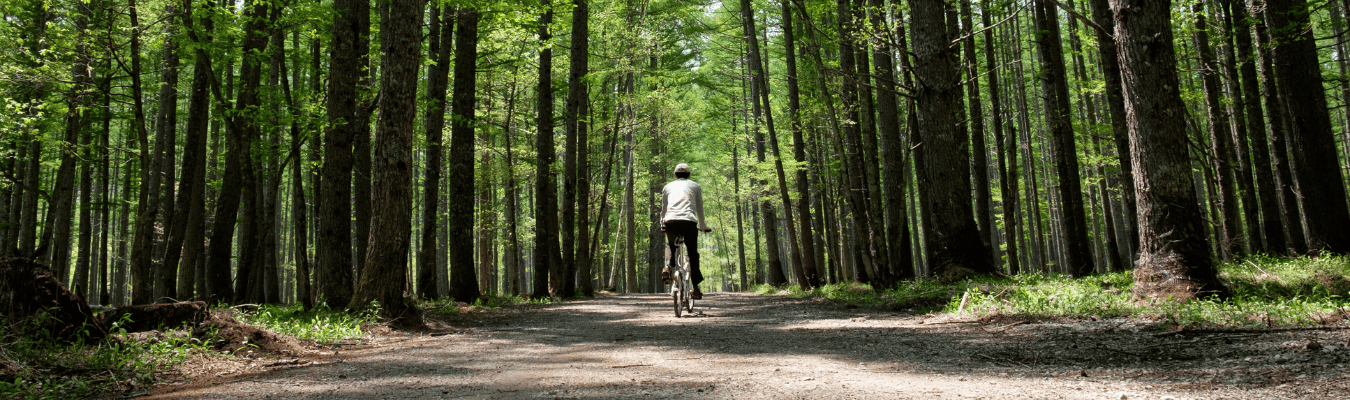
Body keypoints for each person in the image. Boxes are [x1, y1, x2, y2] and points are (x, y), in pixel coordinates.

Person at [660, 163, 712, 299]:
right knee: (693, 254)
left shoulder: (667, 187)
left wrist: (663, 225)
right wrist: (703, 226)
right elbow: (699, 208)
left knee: (670, 244)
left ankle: (667, 266)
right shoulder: (696, 186)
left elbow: (664, 209)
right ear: (689, 175)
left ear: (675, 175)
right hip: (689, 222)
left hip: (670, 221)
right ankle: (695, 288)